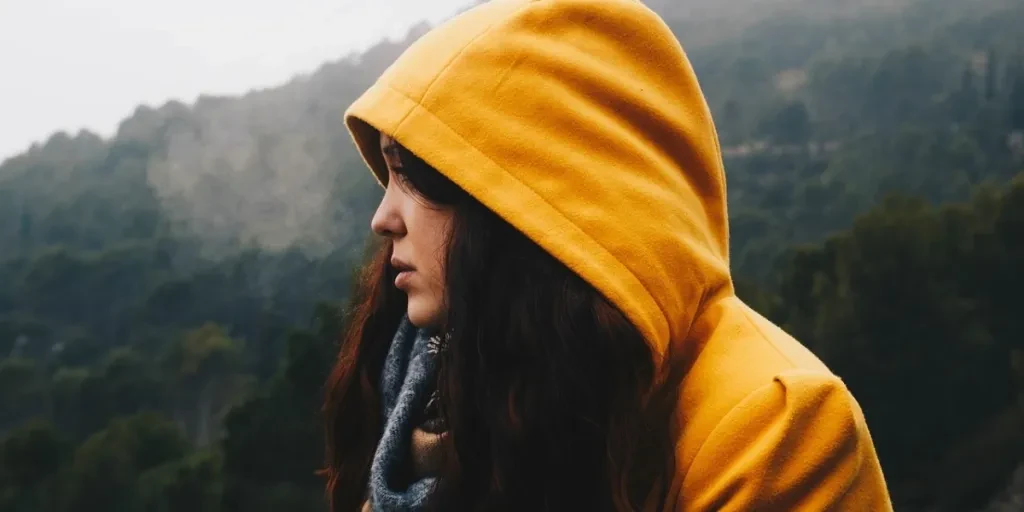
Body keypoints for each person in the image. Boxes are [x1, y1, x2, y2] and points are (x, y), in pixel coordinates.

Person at [323, 0, 894, 510]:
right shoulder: (436, 392)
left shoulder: (773, 426)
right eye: (388, 175)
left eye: (417, 177)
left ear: (540, 203)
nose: (383, 218)